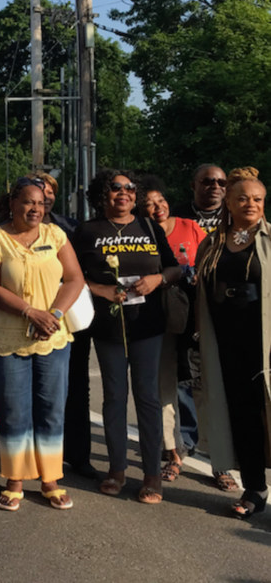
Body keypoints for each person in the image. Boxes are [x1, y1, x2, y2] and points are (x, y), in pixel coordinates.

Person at [0, 177, 85, 511]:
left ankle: (50, 479)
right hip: (7, 338)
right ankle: (15, 480)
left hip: (52, 335)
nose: (35, 208)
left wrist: (53, 313)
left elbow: (75, 278)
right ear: (12, 203)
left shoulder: (56, 235)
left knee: (52, 408)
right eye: (27, 202)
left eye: (40, 203)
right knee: (14, 411)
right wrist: (29, 312)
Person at [73, 170, 180, 504]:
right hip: (107, 327)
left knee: (147, 397)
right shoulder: (88, 230)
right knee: (114, 397)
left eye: (130, 188)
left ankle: (151, 475)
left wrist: (157, 280)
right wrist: (101, 288)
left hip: (147, 325)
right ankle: (117, 469)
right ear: (102, 194)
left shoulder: (148, 226)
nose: (124, 193)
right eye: (116, 188)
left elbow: (175, 268)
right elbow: (70, 276)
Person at [195, 167, 271, 519]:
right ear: (228, 201)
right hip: (226, 342)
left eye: (257, 199)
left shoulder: (270, 240)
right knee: (243, 416)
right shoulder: (211, 243)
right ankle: (255, 488)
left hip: (266, 344)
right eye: (242, 198)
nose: (250, 204)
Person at [26, 172, 98, 480]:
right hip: (23, 319)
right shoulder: (10, 228)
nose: (46, 195)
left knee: (75, 389)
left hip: (65, 319)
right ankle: (27, 460)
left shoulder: (70, 228)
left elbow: (81, 273)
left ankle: (78, 456)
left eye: (50, 190)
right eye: (38, 190)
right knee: (27, 394)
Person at [170, 164, 236, 491]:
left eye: (221, 182)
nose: (214, 186)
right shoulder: (179, 216)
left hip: (224, 312)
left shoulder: (237, 216)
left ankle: (220, 461)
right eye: (207, 181)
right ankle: (182, 448)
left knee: (217, 384)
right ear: (193, 184)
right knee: (184, 378)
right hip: (184, 309)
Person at [138, 176, 205, 483]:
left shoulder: (191, 227)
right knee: (165, 384)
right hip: (158, 318)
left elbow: (211, 264)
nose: (157, 207)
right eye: (149, 203)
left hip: (196, 317)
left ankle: (220, 461)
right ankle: (173, 453)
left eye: (160, 200)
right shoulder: (139, 233)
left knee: (205, 386)